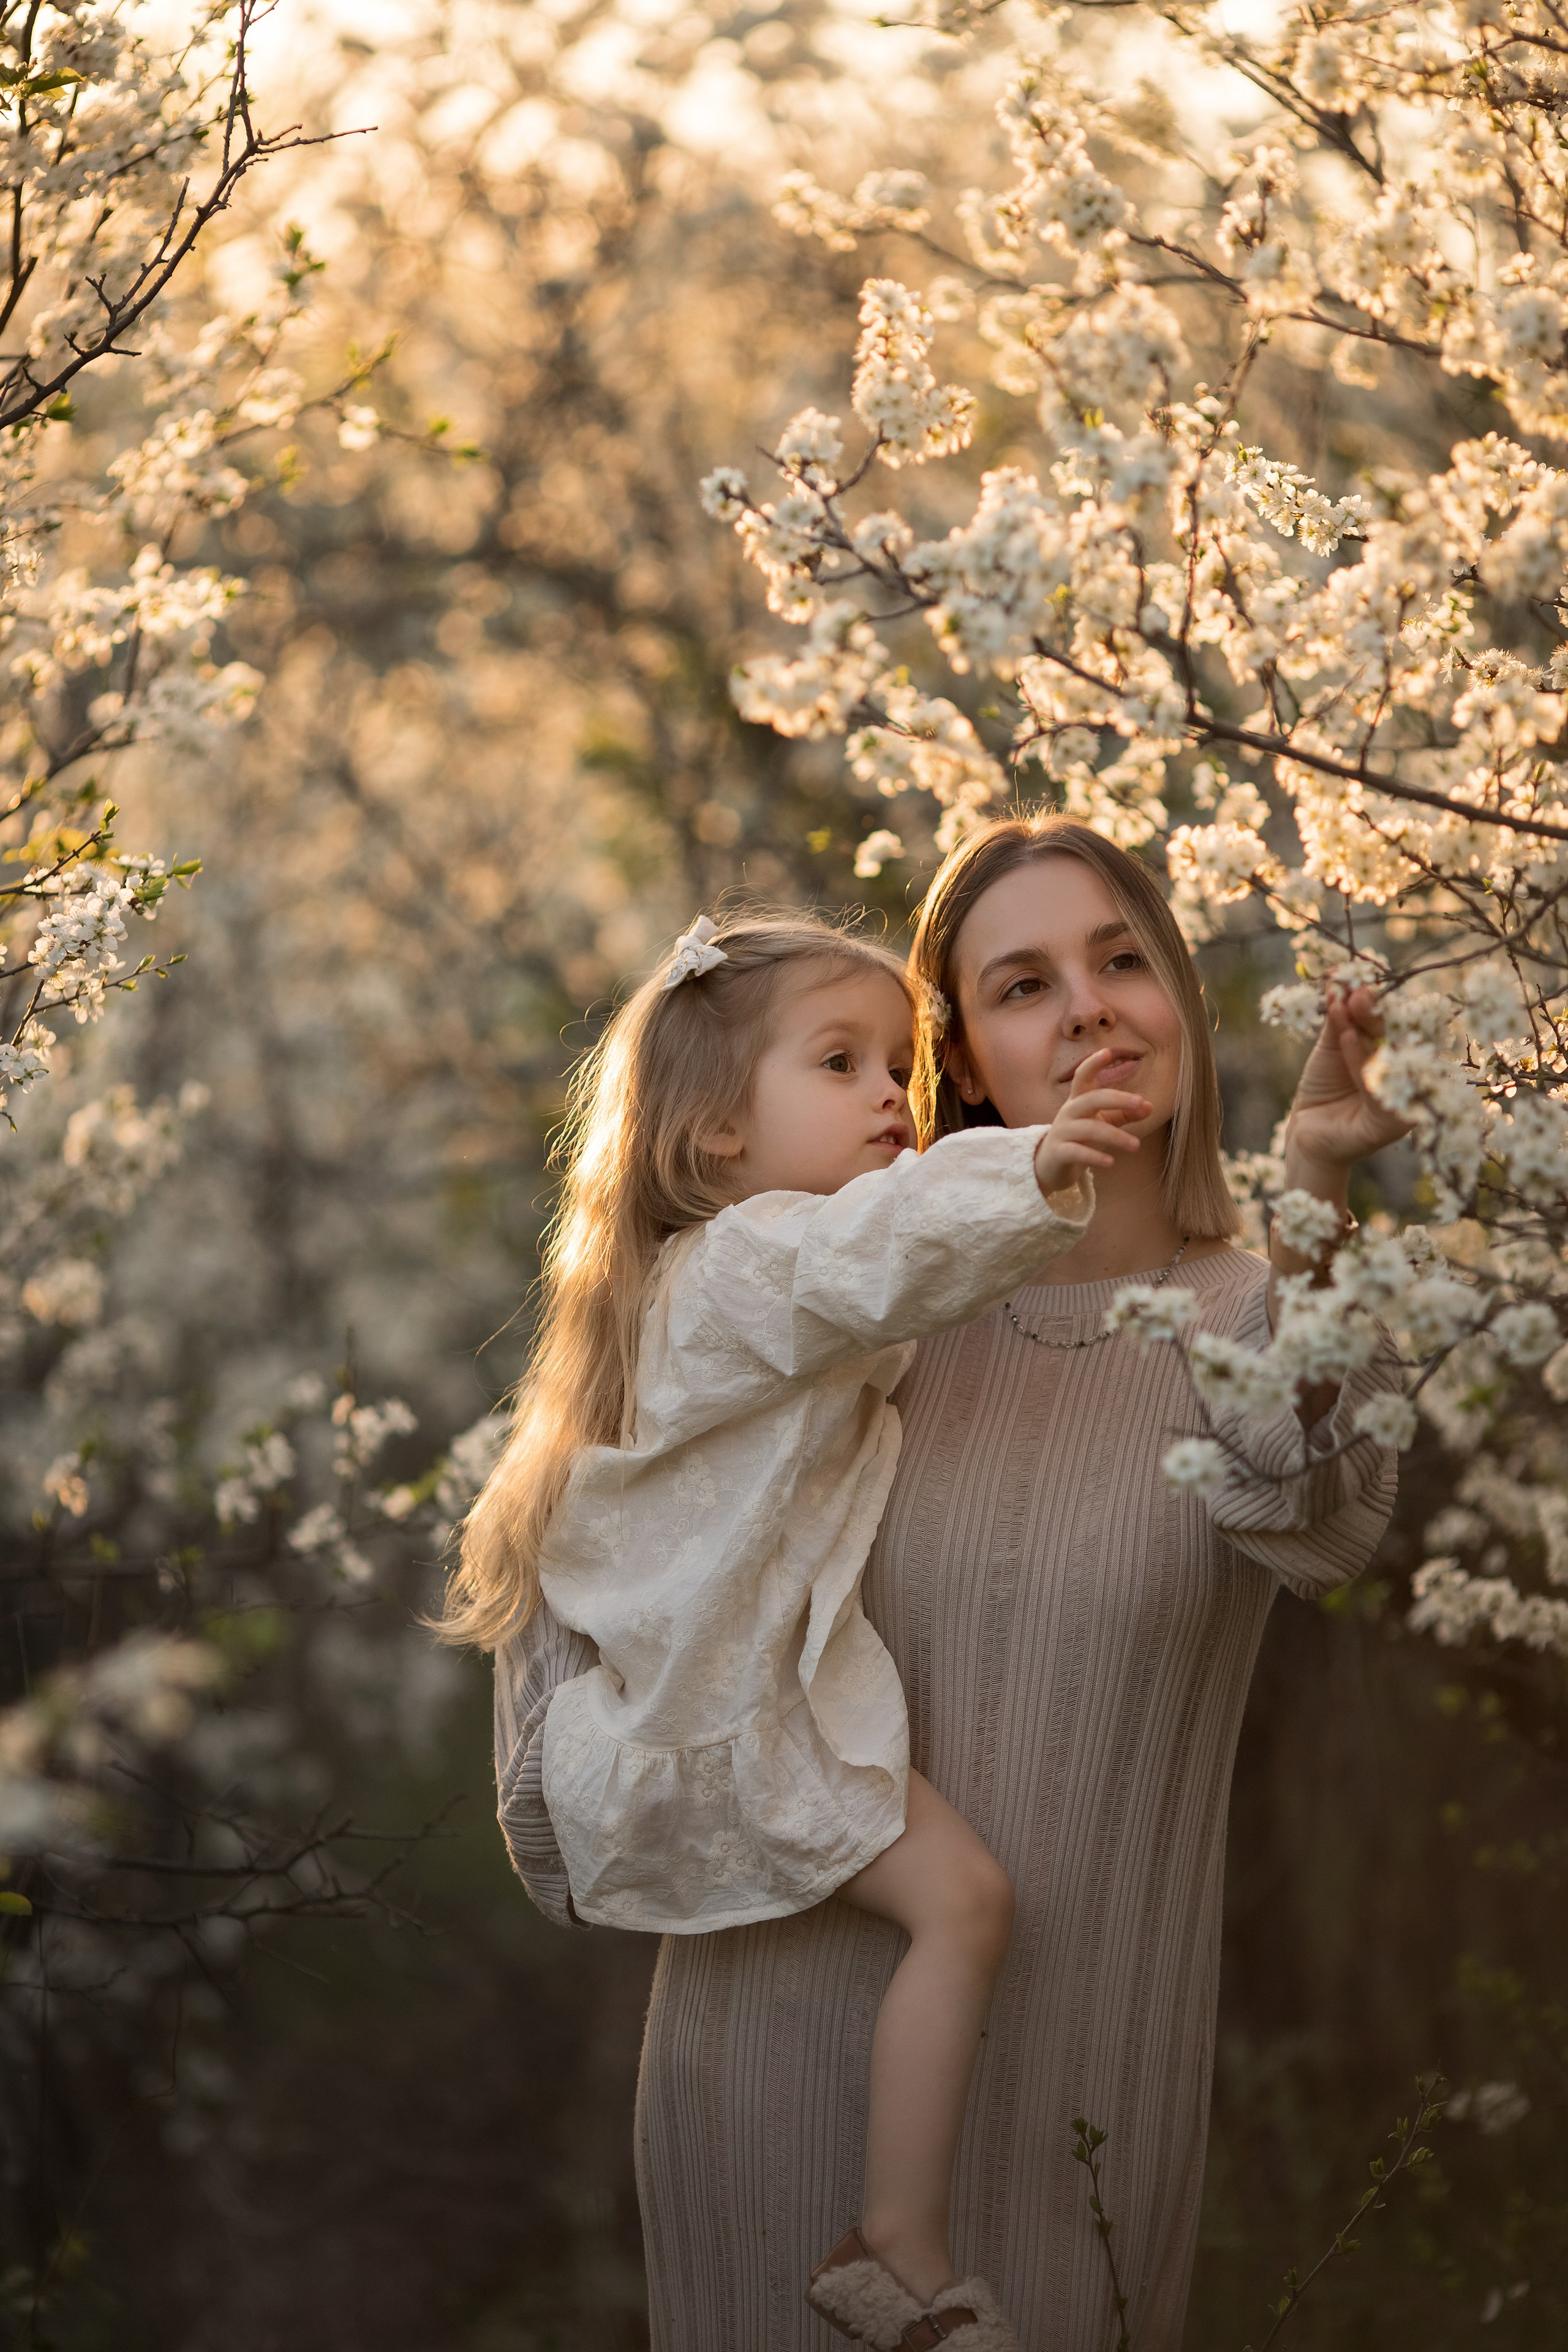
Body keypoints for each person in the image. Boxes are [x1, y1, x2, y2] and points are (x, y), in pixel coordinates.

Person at [488, 817, 1411, 2352]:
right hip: (760, 2065)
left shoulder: (1248, 1316)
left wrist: (1311, 1182)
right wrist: (623, 1787)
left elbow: (1313, 1493)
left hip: (1081, 2093)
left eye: (1121, 961)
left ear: (1179, 999)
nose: (1089, 1009)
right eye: (1023, 985)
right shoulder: (847, 1318)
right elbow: (598, 1560)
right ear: (963, 1063)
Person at [441, 908, 1161, 2350]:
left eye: (896, 1064)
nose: (890, 1094)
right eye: (840, 1064)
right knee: (964, 1905)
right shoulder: (746, 1263)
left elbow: (876, 1266)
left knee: (958, 1906)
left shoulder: (701, 1283)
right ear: (716, 1132)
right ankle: (896, 2245)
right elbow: (874, 1251)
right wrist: (1033, 1163)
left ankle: (895, 2238)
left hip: (701, 1713)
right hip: (727, 1731)